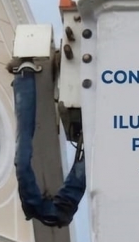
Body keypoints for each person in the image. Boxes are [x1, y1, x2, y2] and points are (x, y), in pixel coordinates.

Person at [8, 59, 86, 229]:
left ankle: (24, 77)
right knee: (22, 161)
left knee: (22, 161)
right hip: (53, 207)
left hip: (53, 206)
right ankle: (24, 77)